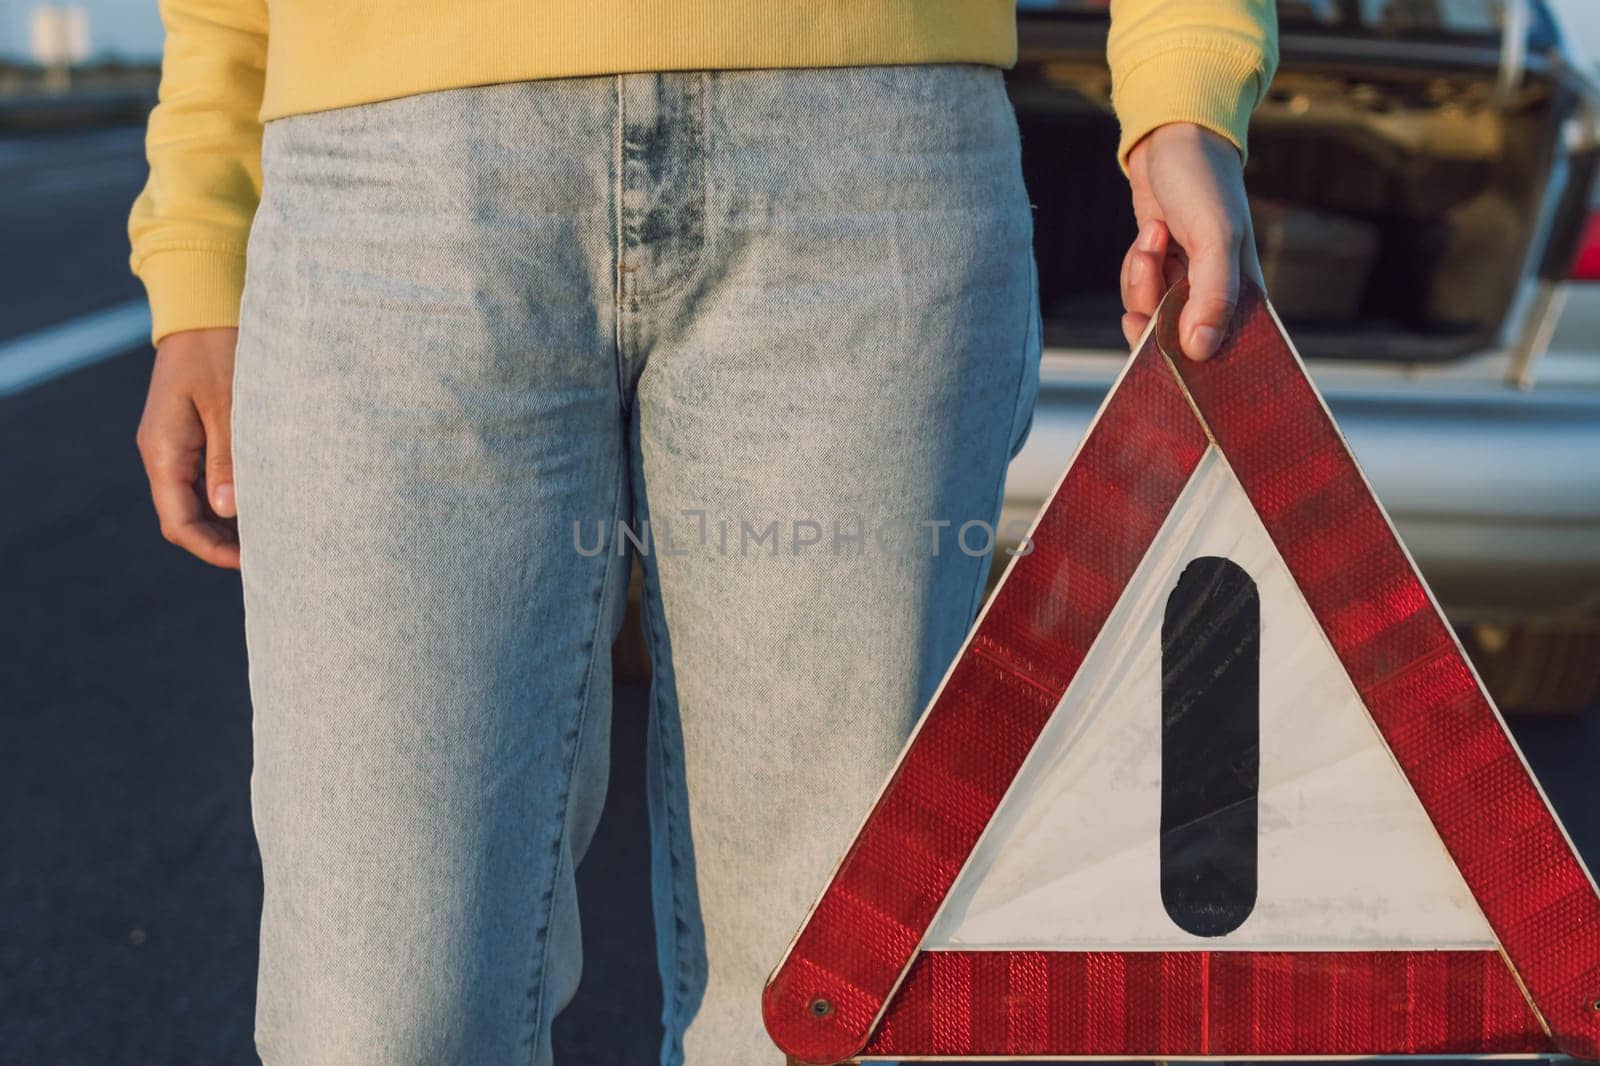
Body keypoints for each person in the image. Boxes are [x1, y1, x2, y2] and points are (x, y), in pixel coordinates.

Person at [129, 1, 1277, 1062]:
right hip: (390, 174)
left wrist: (1187, 76)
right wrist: (196, 236)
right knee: (377, 1020)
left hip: (866, 145)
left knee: (826, 1004)